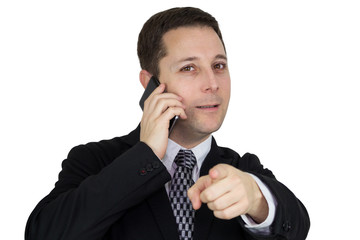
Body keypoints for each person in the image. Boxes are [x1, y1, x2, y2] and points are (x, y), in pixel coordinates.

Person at [25, 7, 310, 240]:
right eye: (189, 68)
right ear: (151, 84)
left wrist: (257, 198)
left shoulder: (242, 170)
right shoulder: (94, 161)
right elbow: (44, 234)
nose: (212, 84)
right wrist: (145, 156)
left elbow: (298, 225)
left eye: (219, 66)